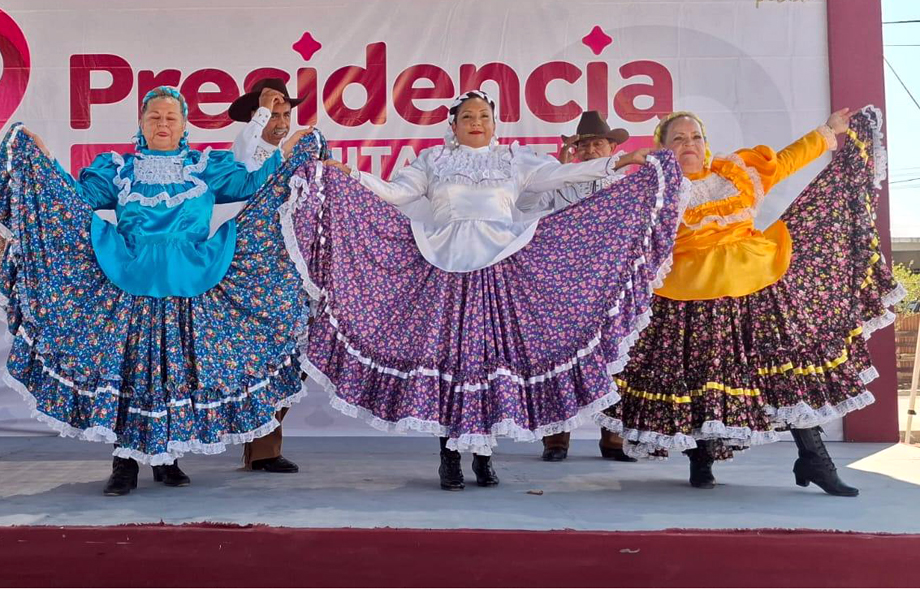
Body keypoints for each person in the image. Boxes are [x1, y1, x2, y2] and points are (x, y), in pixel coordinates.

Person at [277, 90, 688, 490]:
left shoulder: (514, 161)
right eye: (469, 117)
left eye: (484, 117)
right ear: (453, 126)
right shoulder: (433, 161)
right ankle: (450, 459)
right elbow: (395, 193)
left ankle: (485, 458)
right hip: (444, 270)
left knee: (491, 365)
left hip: (500, 272)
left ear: (495, 124)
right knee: (452, 366)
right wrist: (349, 174)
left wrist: (620, 162)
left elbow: (564, 174)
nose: (477, 123)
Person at [0, 87, 311, 495]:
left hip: (191, 286)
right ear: (142, 124)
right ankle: (124, 465)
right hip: (131, 285)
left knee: (175, 375)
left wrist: (286, 153)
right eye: (154, 117)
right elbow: (76, 199)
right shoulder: (118, 168)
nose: (163, 124)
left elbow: (254, 183)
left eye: (171, 118)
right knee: (132, 374)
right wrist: (43, 163)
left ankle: (168, 460)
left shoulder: (205, 167)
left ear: (184, 126)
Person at [595, 106, 903, 496]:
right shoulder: (651, 190)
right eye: (678, 139)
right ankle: (701, 457)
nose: (689, 144)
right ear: (662, 149)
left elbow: (787, 161)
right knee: (701, 378)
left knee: (783, 370)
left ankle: (815, 459)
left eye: (695, 137)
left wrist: (827, 130)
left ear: (705, 143)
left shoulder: (737, 172)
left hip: (754, 284)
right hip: (688, 295)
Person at [538, 110, 638, 463]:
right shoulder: (560, 181)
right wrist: (560, 170)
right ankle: (556, 438)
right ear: (576, 150)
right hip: (564, 282)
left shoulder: (627, 184)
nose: (593, 148)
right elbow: (537, 213)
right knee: (559, 356)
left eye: (599, 142)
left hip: (609, 281)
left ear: (612, 147)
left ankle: (613, 436)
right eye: (586, 144)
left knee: (615, 355)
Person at [228, 78, 310, 474]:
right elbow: (252, 159)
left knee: (285, 358)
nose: (280, 121)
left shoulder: (299, 158)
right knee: (248, 362)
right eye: (271, 114)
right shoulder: (241, 157)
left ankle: (265, 449)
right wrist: (260, 113)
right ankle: (247, 442)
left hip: (286, 272)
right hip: (246, 274)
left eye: (284, 114)